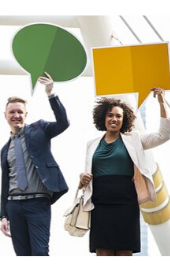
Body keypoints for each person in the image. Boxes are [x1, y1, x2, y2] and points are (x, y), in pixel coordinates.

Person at [79, 87, 170, 256]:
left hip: (126, 203)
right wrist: (82, 179)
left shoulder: (134, 139)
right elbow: (88, 174)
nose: (114, 119)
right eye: (110, 115)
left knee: (124, 254)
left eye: (118, 116)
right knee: (103, 253)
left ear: (124, 119)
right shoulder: (92, 144)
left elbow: (164, 135)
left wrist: (161, 102)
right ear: (103, 118)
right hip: (100, 204)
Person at [0, 72, 70, 256]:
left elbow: (63, 123)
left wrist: (51, 93)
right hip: (14, 206)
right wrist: (3, 215)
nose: (16, 115)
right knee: (22, 256)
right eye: (12, 112)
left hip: (38, 203)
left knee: (39, 253)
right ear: (5, 115)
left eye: (20, 112)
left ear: (26, 114)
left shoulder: (40, 129)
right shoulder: (5, 149)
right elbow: (5, 183)